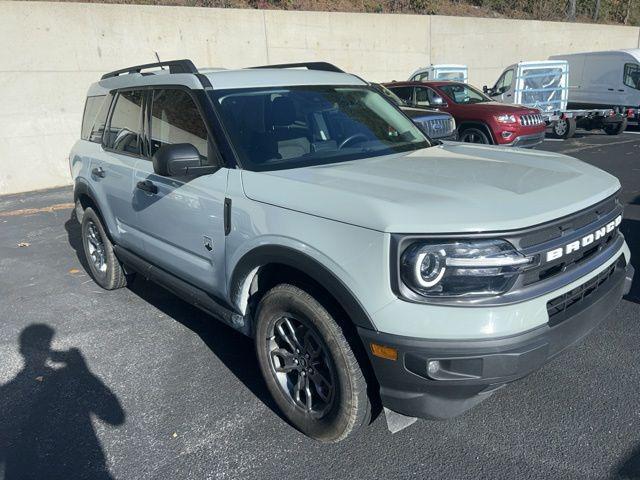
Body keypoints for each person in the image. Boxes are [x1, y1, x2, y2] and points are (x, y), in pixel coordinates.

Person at [0, 324, 125, 480]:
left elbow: (115, 416)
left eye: (44, 347)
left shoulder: (5, 393)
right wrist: (82, 371)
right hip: (80, 470)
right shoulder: (68, 379)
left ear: (22, 352)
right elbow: (114, 416)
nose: (44, 352)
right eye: (42, 347)